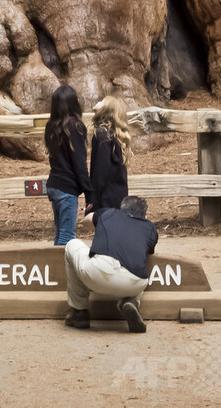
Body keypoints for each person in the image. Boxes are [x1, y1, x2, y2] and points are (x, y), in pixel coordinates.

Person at [63, 196, 158, 333]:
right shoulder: (150, 227)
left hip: (99, 273)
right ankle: (131, 302)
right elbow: (148, 251)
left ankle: (79, 312)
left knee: (72, 244)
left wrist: (99, 225)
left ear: (121, 208)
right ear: (145, 215)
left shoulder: (109, 213)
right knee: (138, 261)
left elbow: (87, 220)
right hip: (135, 283)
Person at [44, 85, 94, 246]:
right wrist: (89, 193)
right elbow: (79, 164)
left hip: (54, 185)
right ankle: (61, 271)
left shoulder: (51, 126)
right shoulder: (75, 127)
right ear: (74, 103)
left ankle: (56, 268)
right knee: (67, 238)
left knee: (60, 233)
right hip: (66, 189)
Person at [88, 96, 131, 213]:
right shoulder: (112, 135)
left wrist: (92, 201)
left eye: (102, 101)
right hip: (119, 197)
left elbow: (100, 173)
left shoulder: (102, 135)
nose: (98, 101)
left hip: (106, 200)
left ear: (106, 109)